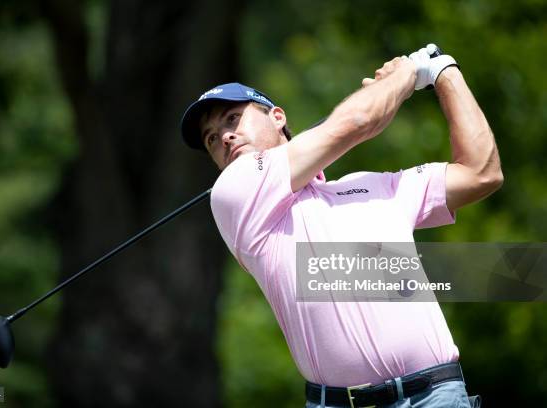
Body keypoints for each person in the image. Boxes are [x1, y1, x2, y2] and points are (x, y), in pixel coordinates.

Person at [180, 44, 501, 407]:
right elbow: (359, 121)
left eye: (232, 119)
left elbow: (481, 173)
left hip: (435, 397)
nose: (223, 137)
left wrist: (444, 72)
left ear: (278, 117)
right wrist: (407, 73)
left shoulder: (376, 186)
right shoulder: (234, 192)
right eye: (211, 138)